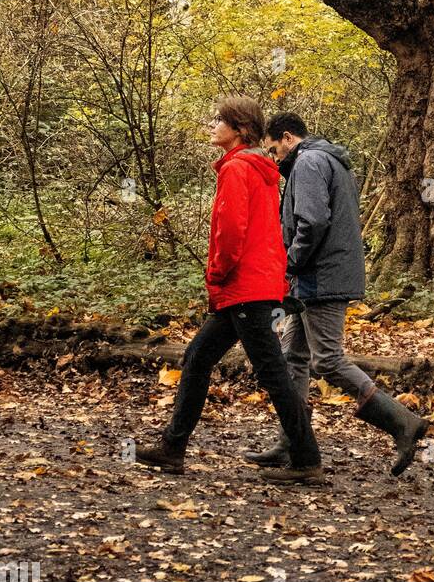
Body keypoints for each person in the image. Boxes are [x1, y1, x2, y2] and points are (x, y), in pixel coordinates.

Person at [134, 96, 323, 485]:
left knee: (273, 373)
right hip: (252, 285)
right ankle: (173, 448)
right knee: (199, 358)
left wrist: (217, 274)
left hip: (244, 286)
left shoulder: (238, 168)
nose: (213, 124)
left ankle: (306, 460)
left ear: (239, 129)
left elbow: (231, 233)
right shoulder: (258, 168)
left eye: (220, 120)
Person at [244, 112, 429, 476]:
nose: (274, 159)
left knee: (327, 359)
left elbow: (312, 222)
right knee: (291, 358)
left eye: (274, 151)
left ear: (286, 137)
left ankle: (402, 423)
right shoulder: (329, 160)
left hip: (320, 277)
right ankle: (293, 443)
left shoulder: (309, 162)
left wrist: (290, 263)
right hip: (316, 276)